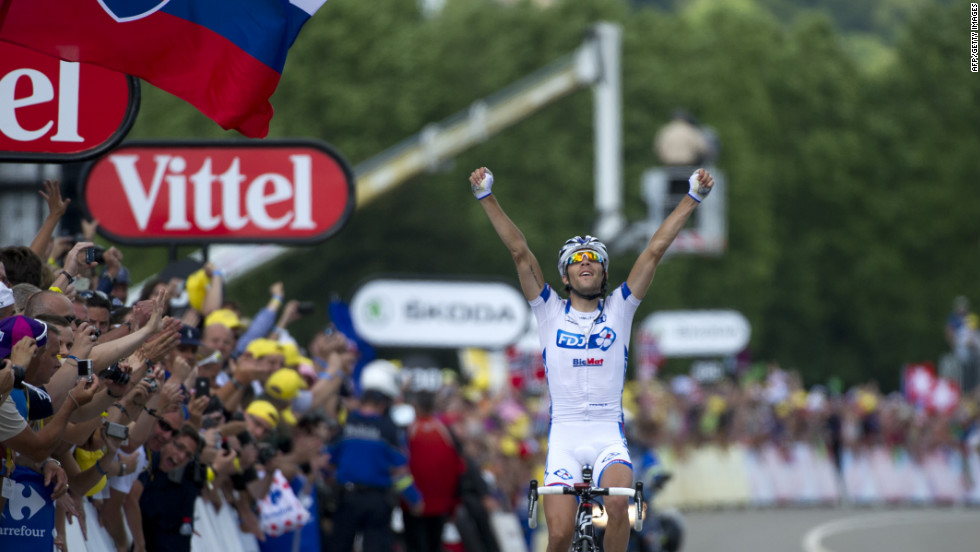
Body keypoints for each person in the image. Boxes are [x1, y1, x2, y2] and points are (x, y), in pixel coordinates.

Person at [466, 165, 713, 552]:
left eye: (593, 260)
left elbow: (654, 249)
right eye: (577, 260)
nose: (585, 263)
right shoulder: (548, 310)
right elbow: (519, 250)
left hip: (606, 433)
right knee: (561, 535)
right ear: (565, 276)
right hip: (564, 435)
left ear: (604, 273)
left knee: (619, 505)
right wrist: (486, 196)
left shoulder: (620, 308)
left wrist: (692, 197)